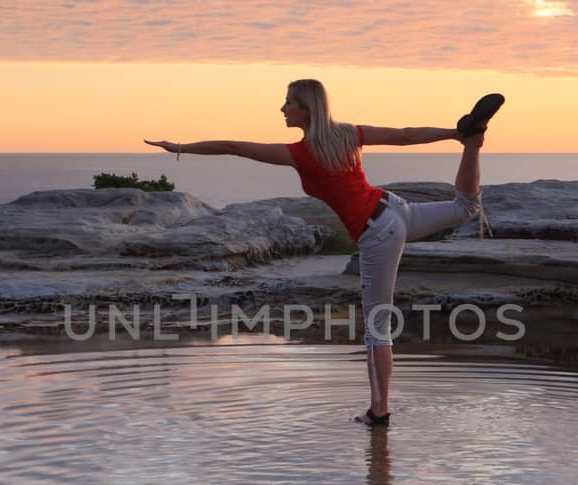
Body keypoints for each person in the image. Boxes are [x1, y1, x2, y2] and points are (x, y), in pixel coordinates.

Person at [144, 79, 502, 427]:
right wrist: (456, 134)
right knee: (466, 206)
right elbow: (405, 135)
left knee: (377, 328)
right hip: (395, 208)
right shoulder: (348, 133)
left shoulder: (299, 153)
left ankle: (378, 412)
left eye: (288, 102)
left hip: (378, 231)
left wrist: (180, 147)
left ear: (306, 108)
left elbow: (235, 146)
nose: (282, 108)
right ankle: (473, 143)